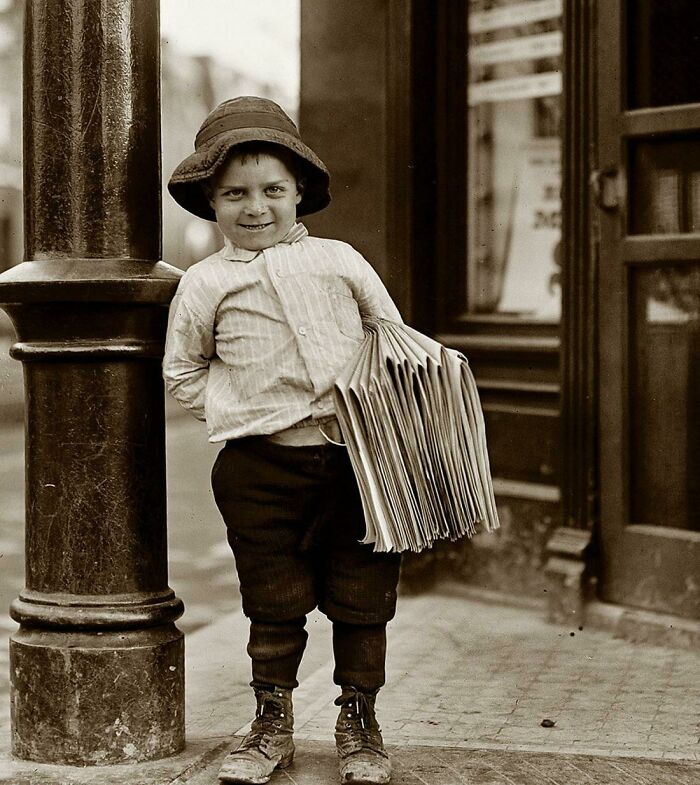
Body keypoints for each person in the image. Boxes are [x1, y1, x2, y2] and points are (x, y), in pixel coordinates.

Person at [163, 96, 403, 785]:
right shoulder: (206, 282)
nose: (256, 206)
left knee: (363, 597)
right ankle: (271, 721)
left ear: (300, 189)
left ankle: (360, 719)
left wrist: (380, 409)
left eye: (272, 189)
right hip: (257, 468)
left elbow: (392, 339)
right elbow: (183, 370)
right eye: (234, 193)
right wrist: (238, 407)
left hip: (357, 464)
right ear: (210, 201)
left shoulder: (341, 261)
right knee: (273, 599)